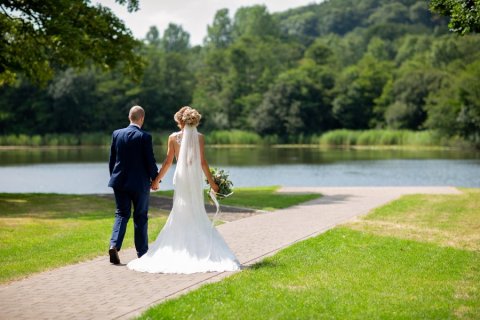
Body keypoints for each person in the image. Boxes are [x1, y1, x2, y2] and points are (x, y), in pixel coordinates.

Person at [127, 106, 241, 274]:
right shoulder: (200, 138)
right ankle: (199, 246)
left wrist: (156, 180)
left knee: (181, 210)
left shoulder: (173, 138)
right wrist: (212, 183)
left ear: (180, 121)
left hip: (181, 180)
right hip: (194, 180)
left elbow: (167, 162)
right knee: (196, 210)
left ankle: (181, 245)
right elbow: (202, 162)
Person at [108, 106, 159, 265]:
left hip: (119, 182)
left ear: (129, 117)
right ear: (142, 118)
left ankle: (114, 245)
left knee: (121, 214)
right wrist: (155, 179)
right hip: (139, 184)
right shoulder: (145, 137)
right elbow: (150, 161)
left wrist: (115, 178)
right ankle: (142, 253)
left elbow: (112, 160)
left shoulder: (117, 134)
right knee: (140, 216)